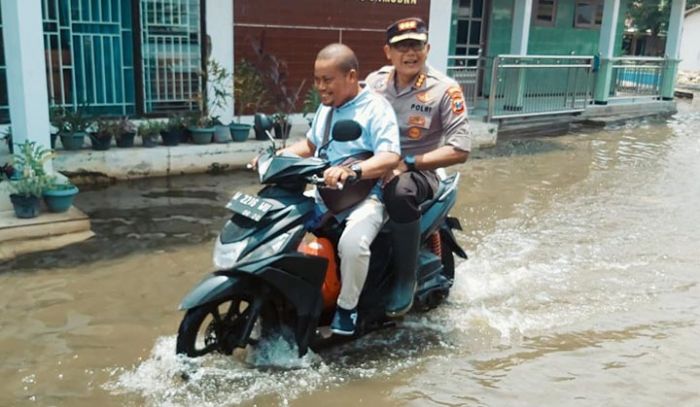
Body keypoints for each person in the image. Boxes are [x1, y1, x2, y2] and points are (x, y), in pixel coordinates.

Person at [274, 43, 401, 335]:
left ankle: (347, 309)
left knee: (352, 244)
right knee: (282, 225)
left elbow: (389, 156)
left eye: (327, 79)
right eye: (317, 80)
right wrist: (275, 158)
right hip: (326, 193)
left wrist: (352, 170)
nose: (320, 87)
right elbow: (310, 146)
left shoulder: (375, 109)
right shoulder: (327, 108)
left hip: (366, 196)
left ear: (351, 76)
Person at [365, 17, 471, 317]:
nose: (409, 53)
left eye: (416, 45)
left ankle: (405, 277)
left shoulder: (445, 90)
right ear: (388, 52)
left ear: (427, 49)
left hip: (420, 170)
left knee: (399, 193)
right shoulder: (374, 82)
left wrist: (408, 162)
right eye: (401, 47)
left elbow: (460, 149)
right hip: (374, 164)